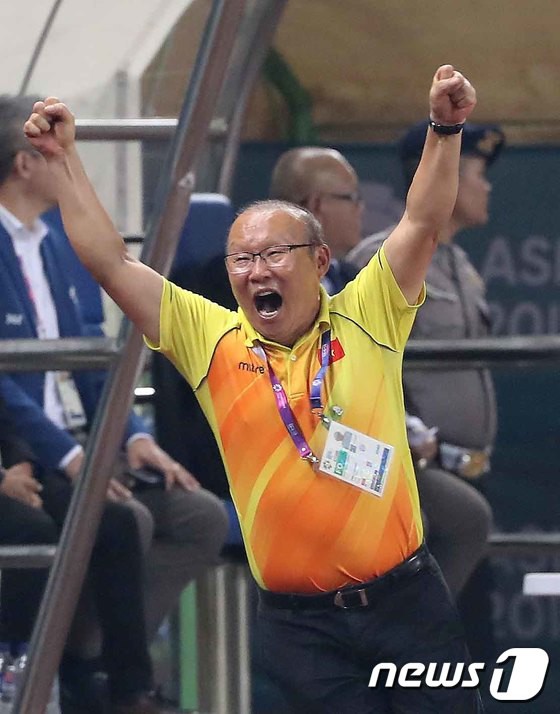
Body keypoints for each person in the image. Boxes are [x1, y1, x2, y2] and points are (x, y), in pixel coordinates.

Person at [25, 65, 482, 713]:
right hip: (301, 629)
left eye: (273, 254)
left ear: (319, 262)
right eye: (242, 258)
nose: (255, 270)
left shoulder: (369, 313)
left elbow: (423, 221)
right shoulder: (210, 339)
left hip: (407, 604)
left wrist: (445, 130)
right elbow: (112, 261)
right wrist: (64, 158)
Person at [0, 94, 228, 706]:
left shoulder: (58, 245)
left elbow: (97, 362)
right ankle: (123, 687)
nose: (71, 170)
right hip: (33, 452)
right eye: (57, 155)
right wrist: (74, 458)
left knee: (199, 516)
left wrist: (132, 437)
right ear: (24, 164)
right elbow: (5, 384)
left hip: (83, 443)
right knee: (124, 520)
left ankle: (85, 654)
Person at [347, 120, 504, 666]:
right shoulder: (383, 259)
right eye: (477, 173)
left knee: (469, 649)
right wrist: (410, 434)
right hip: (413, 478)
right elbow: (357, 364)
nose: (487, 187)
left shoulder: (462, 266)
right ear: (443, 176)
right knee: (417, 646)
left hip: (470, 472)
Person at [0, 392, 162, 714]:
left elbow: (6, 419)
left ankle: (128, 690)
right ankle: (17, 670)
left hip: (14, 472)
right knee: (34, 531)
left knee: (112, 522)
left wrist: (21, 465)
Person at [269, 146, 361, 294]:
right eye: (352, 198)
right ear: (317, 205)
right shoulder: (259, 278)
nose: (360, 208)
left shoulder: (353, 278)